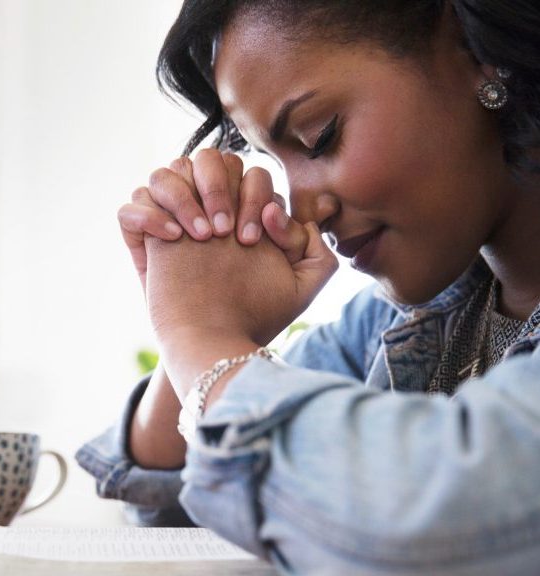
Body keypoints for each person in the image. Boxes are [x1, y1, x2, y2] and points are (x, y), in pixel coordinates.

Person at [76, 1, 540, 574]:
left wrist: (201, 333)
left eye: (319, 138)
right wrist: (200, 322)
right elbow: (165, 493)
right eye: (272, 158)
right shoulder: (396, 325)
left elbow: (424, 525)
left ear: (478, 55)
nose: (305, 211)